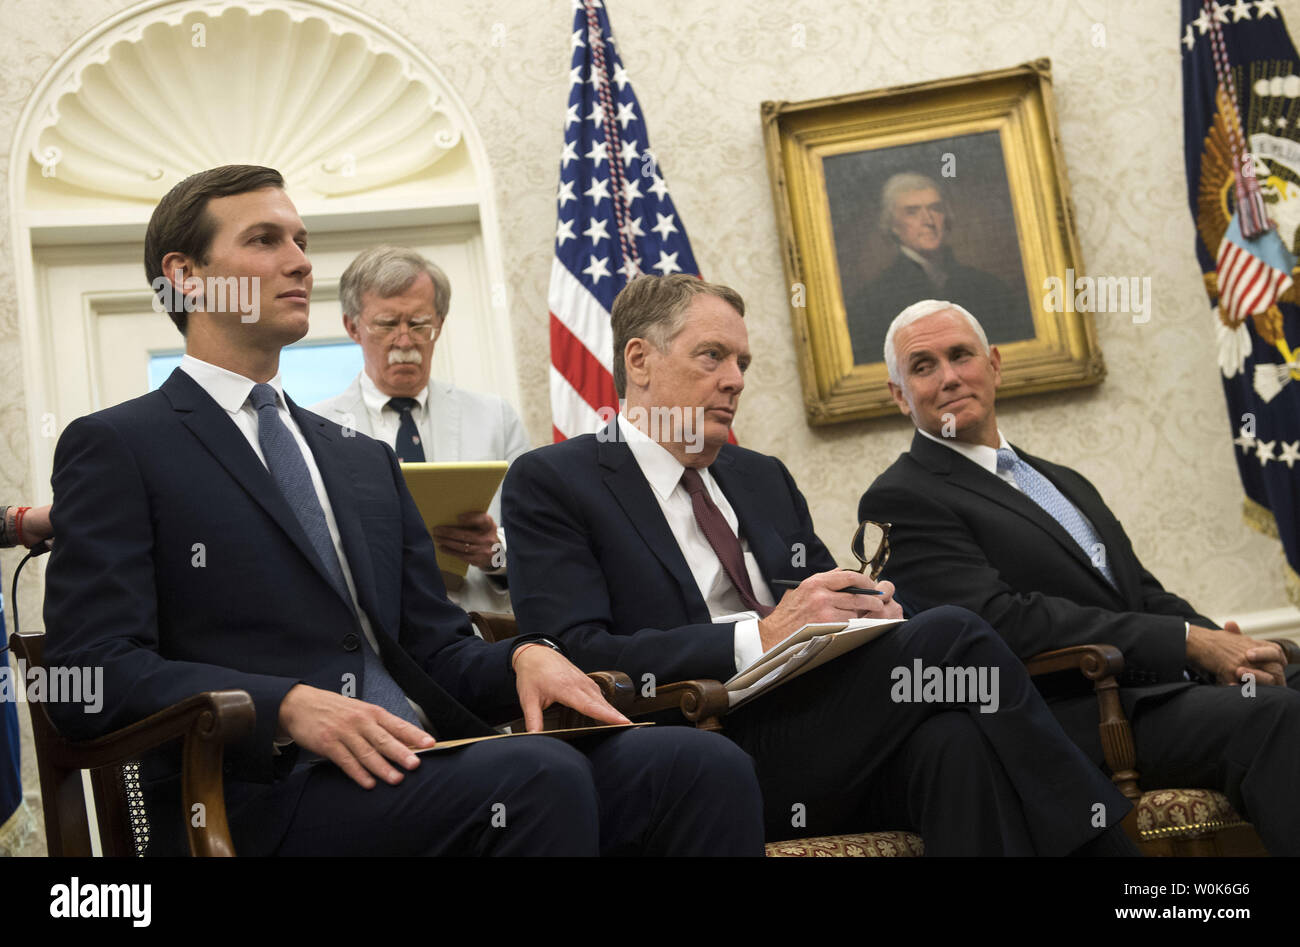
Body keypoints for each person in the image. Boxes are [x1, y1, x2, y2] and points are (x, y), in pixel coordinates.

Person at [41, 165, 763, 857]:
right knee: (539, 778)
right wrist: (284, 702)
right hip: (264, 794)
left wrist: (523, 653)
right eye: (265, 240)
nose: (298, 262)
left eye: (301, 241)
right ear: (186, 275)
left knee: (697, 764)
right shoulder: (119, 446)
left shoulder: (359, 458)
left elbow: (437, 650)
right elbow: (91, 672)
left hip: (429, 758)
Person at [503, 273, 1138, 855]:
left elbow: (824, 597)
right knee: (955, 632)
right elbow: (577, 652)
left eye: (742, 362)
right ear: (639, 359)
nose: (736, 380)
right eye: (713, 356)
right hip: (702, 742)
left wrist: (875, 607)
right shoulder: (557, 481)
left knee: (955, 743)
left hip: (823, 719)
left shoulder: (761, 478)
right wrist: (763, 634)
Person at [858, 298, 1300, 854]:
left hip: (1155, 694)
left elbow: (1140, 592)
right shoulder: (902, 496)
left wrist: (1228, 644)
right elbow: (1000, 623)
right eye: (923, 366)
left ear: (993, 365)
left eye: (960, 355)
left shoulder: (1059, 478)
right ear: (900, 394)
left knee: (1284, 679)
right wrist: (1189, 645)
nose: (948, 377)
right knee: (1272, 716)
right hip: (1073, 717)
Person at [311, 246, 527, 614]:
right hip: (374, 639)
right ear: (352, 326)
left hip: (484, 632)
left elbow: (540, 538)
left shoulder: (495, 417)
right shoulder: (317, 429)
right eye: (386, 324)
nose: (405, 341)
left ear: (439, 325)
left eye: (418, 324)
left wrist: (496, 554)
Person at [845, 172, 1025, 365]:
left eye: (935, 209)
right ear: (892, 225)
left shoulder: (988, 287)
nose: (928, 221)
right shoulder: (871, 302)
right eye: (912, 212)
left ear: (946, 217)